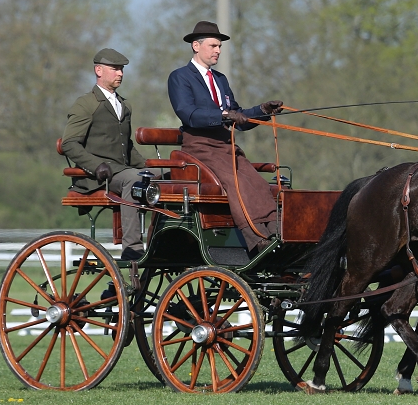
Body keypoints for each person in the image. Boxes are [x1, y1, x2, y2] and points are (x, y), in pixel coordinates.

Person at [167, 21, 283, 254]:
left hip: (226, 147)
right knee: (234, 182)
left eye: (219, 46)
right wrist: (223, 115)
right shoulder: (180, 77)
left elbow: (238, 117)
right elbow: (188, 114)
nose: (218, 50)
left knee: (259, 183)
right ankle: (256, 239)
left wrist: (262, 110)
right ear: (196, 46)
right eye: (213, 45)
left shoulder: (220, 79)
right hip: (199, 149)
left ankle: (277, 233)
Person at [62, 48, 150, 261]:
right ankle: (133, 249)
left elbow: (126, 145)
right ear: (98, 70)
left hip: (123, 171)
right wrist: (96, 166)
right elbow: (69, 144)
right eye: (115, 69)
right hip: (96, 177)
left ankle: (162, 242)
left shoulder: (124, 105)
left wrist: (149, 167)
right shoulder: (86, 104)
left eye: (121, 69)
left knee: (160, 177)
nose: (120, 73)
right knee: (134, 180)